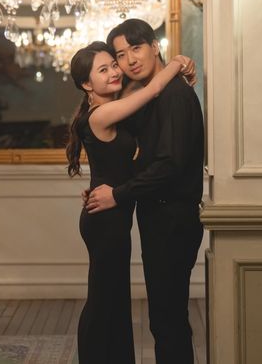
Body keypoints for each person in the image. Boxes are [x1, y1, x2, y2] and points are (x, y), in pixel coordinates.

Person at [66, 41, 195, 364]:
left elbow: (123, 161)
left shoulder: (111, 109)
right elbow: (152, 90)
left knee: (114, 301)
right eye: (103, 69)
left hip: (111, 213)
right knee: (103, 303)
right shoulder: (101, 114)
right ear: (86, 85)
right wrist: (177, 62)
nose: (114, 72)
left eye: (114, 65)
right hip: (106, 221)